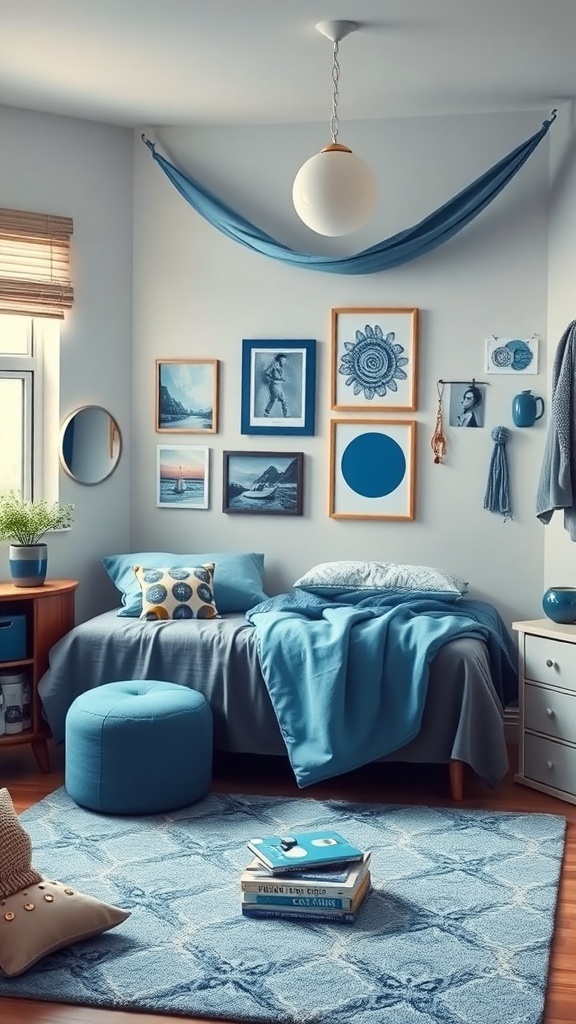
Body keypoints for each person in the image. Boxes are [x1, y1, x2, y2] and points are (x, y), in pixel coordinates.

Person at [263, 353, 288, 417]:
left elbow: (278, 376)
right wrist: (271, 380)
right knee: (280, 399)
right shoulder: (273, 366)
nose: (284, 362)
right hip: (274, 385)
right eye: (283, 360)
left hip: (278, 385)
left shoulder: (280, 367)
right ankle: (285, 414)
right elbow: (266, 373)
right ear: (279, 359)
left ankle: (266, 412)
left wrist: (281, 379)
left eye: (285, 361)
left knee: (274, 399)